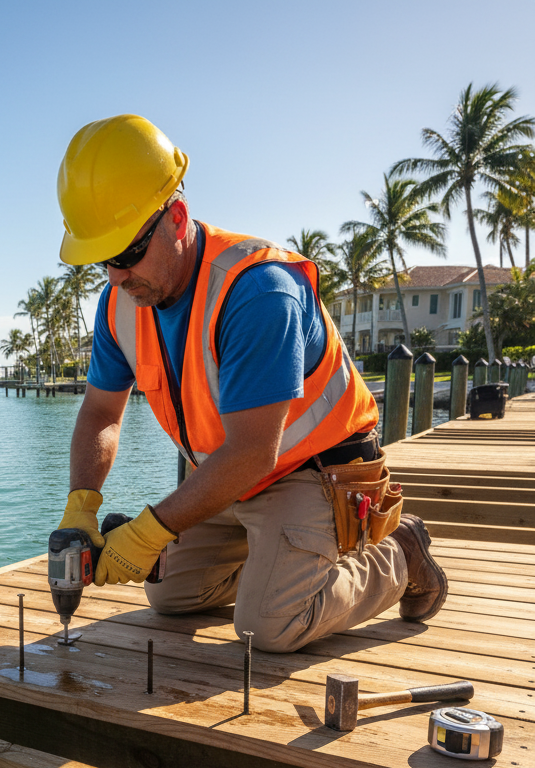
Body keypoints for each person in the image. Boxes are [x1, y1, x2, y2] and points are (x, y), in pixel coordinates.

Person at [54, 114, 448, 653]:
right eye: (103, 260)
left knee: (271, 624)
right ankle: (281, 562)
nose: (118, 276)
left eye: (127, 253)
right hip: (232, 478)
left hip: (319, 474)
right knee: (169, 593)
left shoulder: (258, 291)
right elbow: (101, 413)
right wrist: (82, 505)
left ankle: (400, 553)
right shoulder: (119, 307)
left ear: (176, 217)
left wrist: (147, 533)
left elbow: (253, 454)